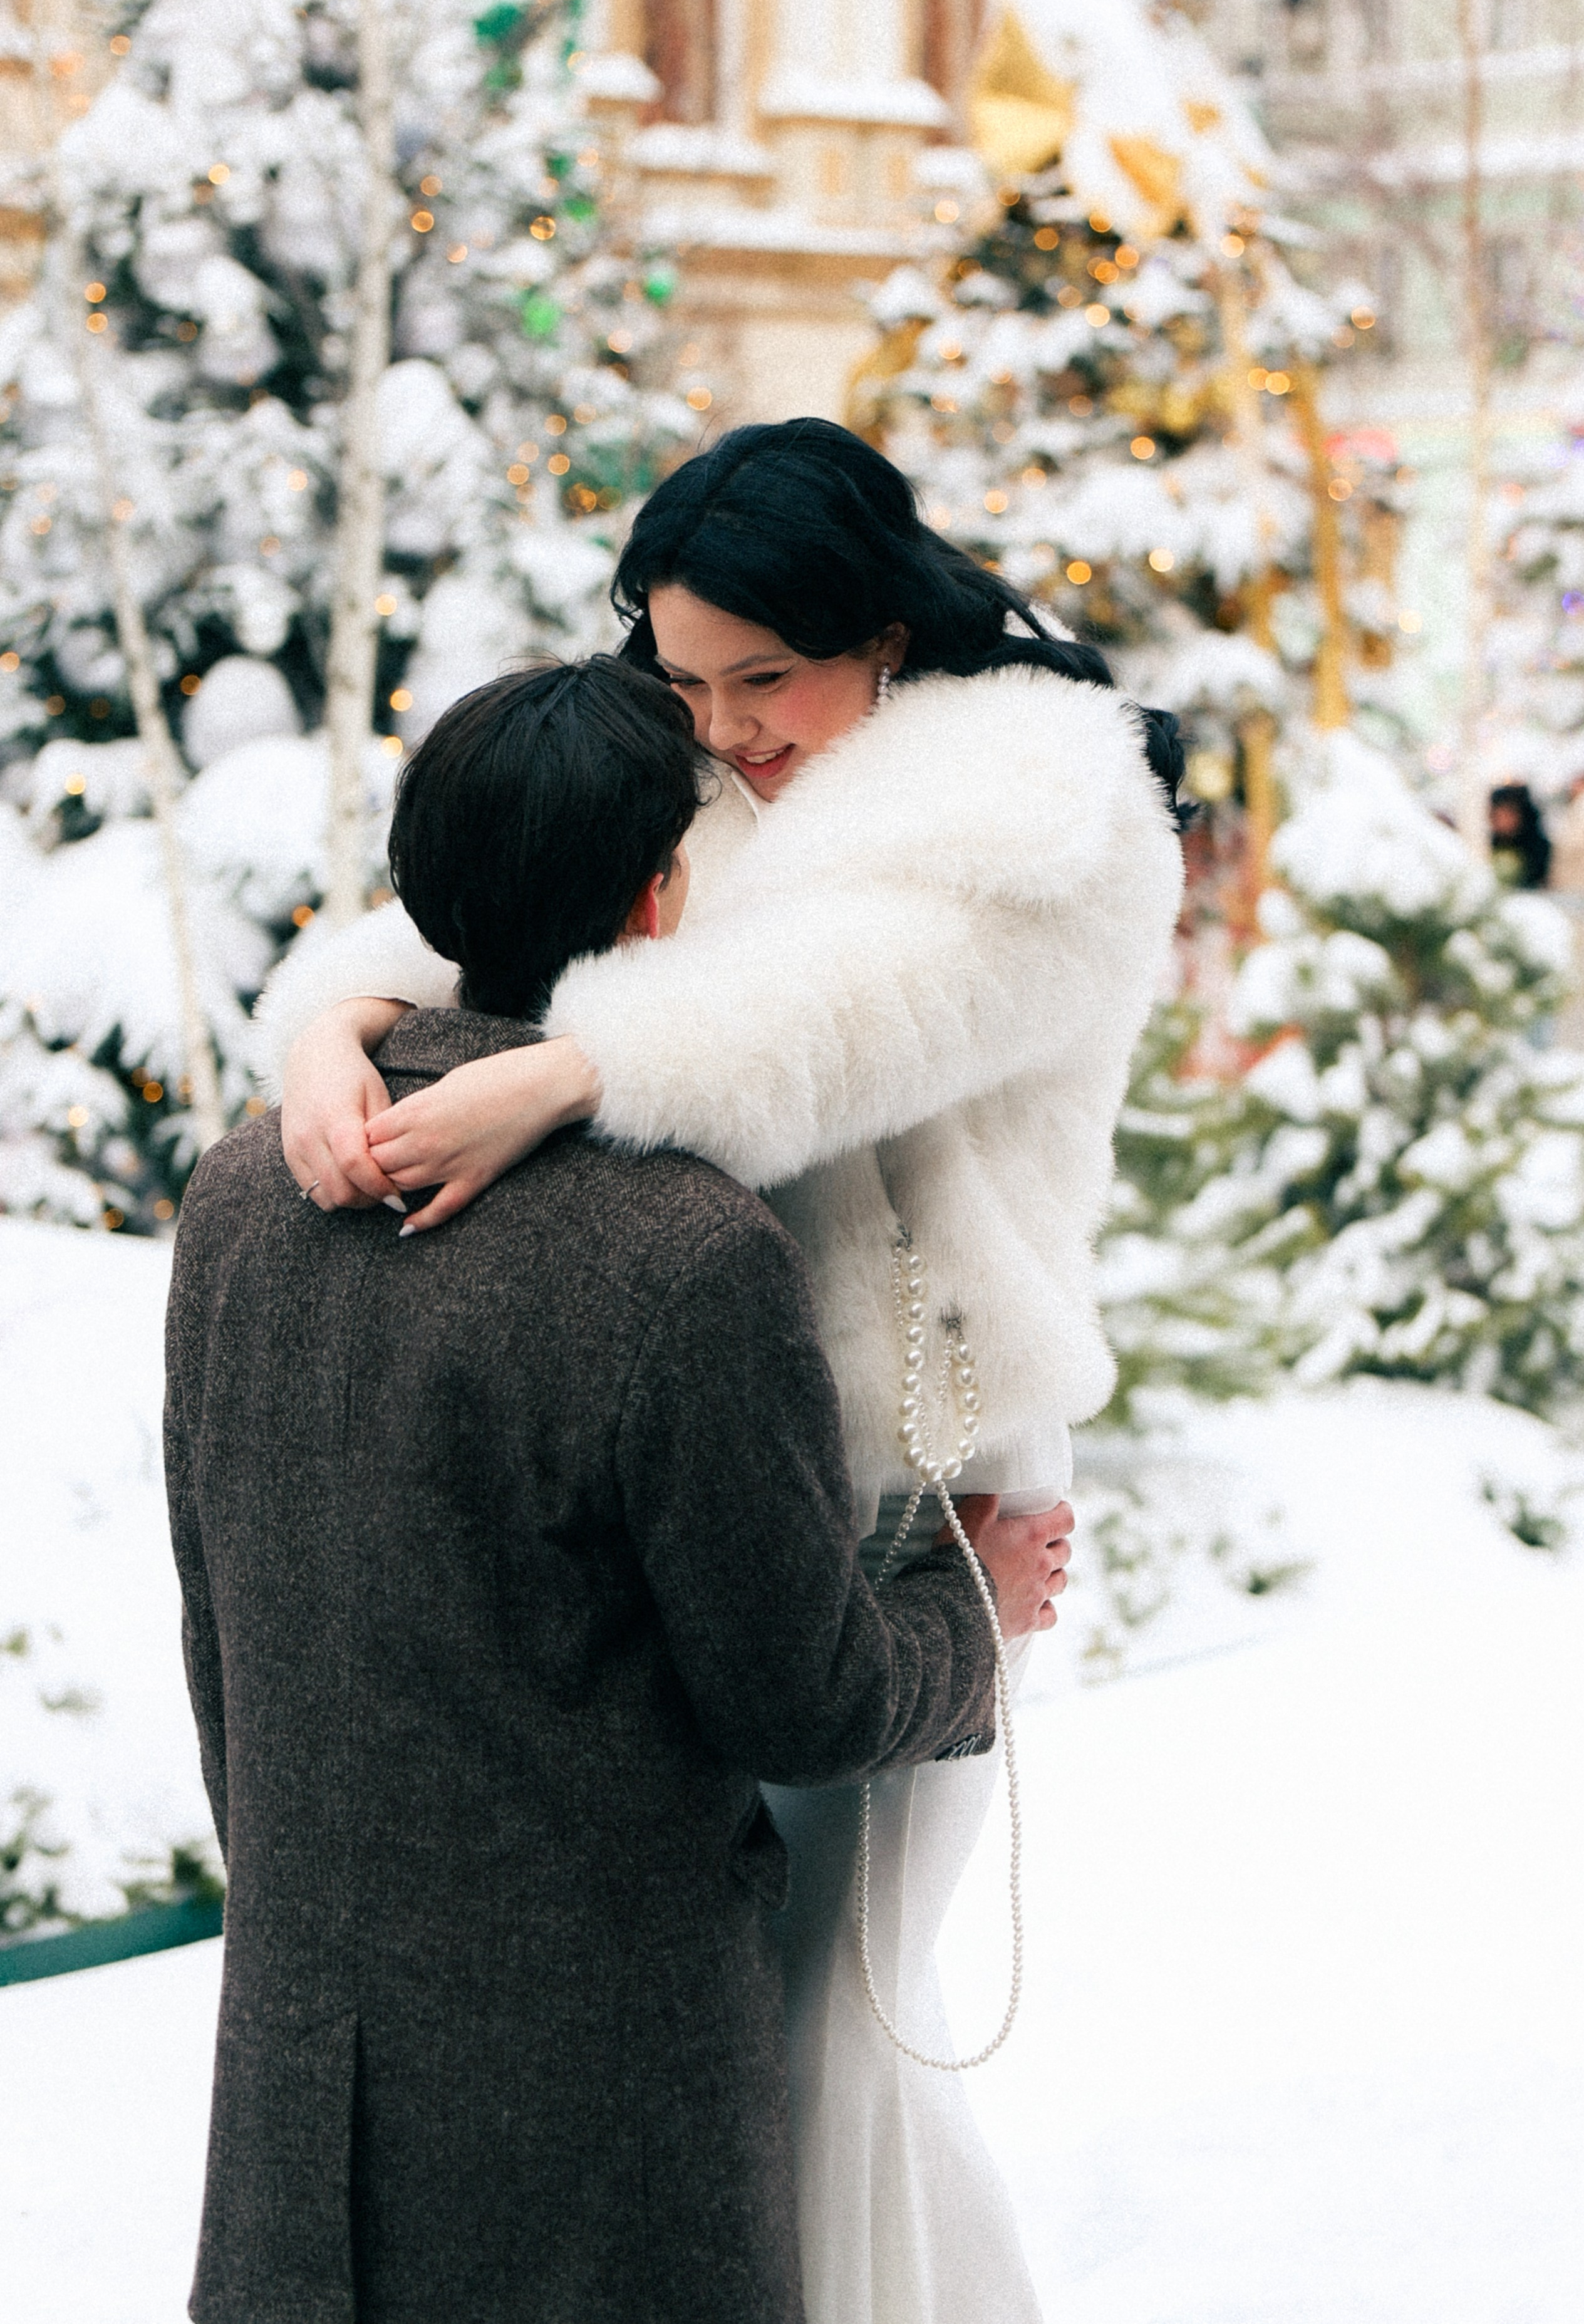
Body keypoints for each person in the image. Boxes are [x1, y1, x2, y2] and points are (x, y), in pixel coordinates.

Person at [256, 418, 1186, 2324]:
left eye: (764, 677)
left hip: (914, 1466)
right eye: (682, 679)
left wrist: (571, 1066)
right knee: (731, 2026)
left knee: (838, 2023)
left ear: (885, 630)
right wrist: (329, 1029)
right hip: (697, 1427)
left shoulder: (1041, 808)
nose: (725, 725)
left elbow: (846, 1014)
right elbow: (473, 901)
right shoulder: (706, 761)